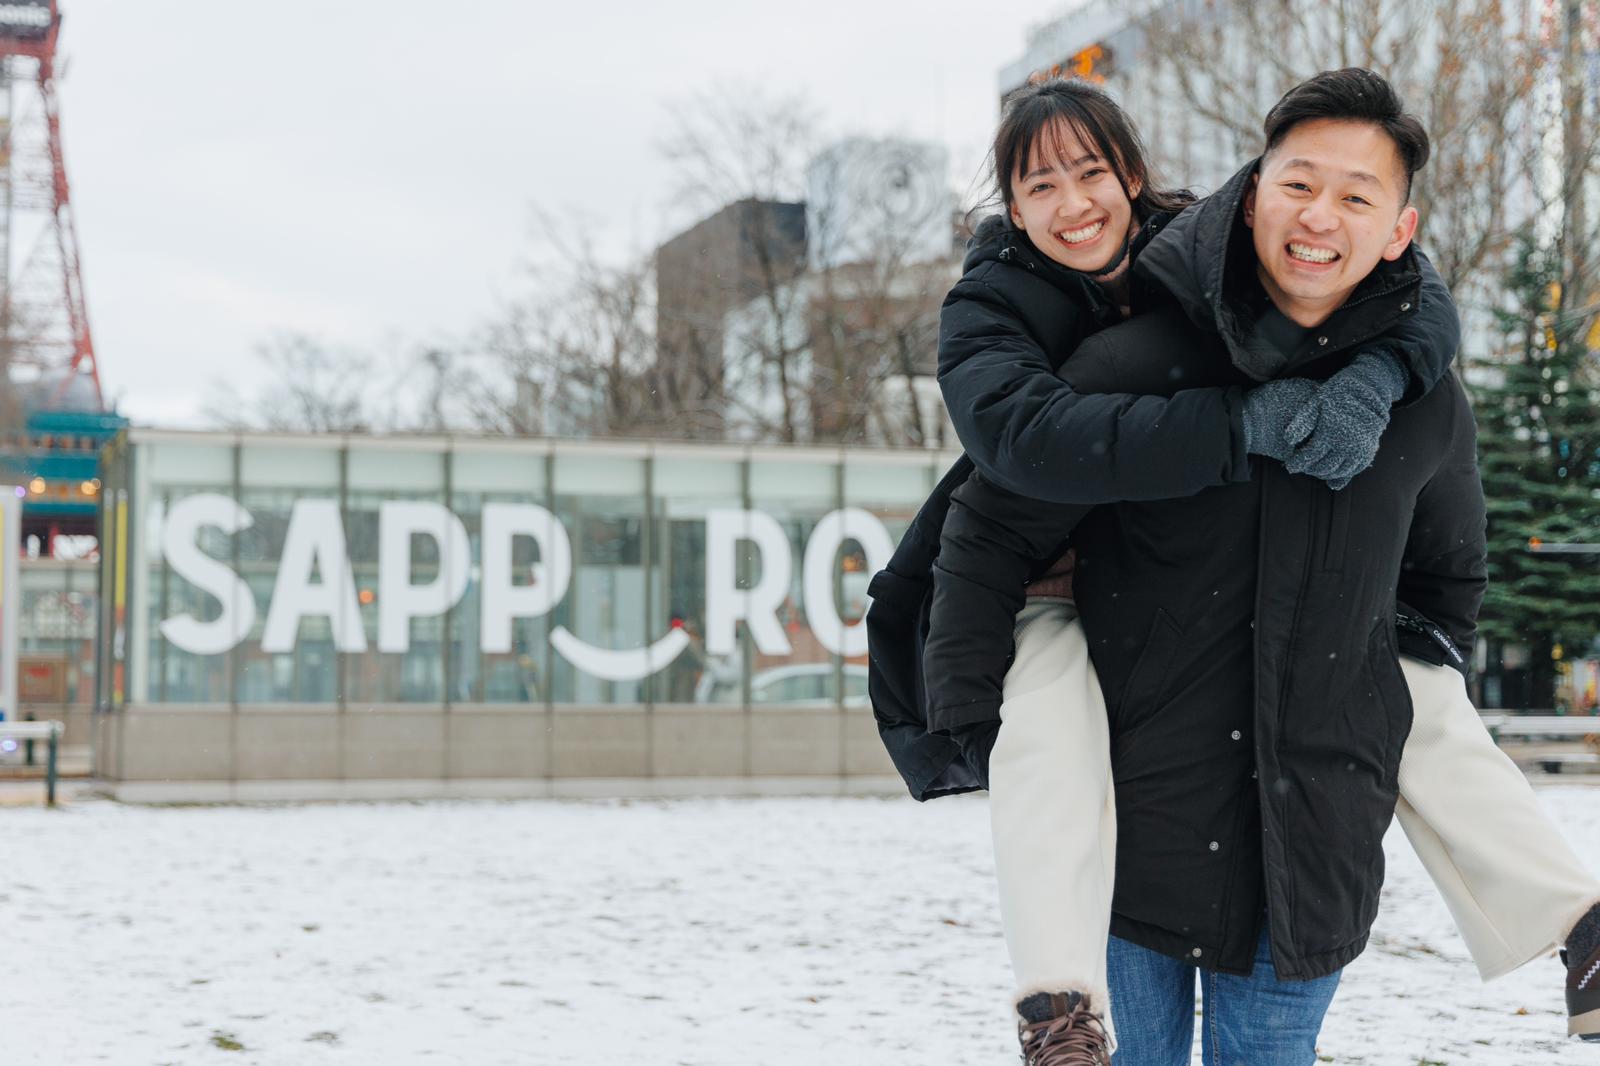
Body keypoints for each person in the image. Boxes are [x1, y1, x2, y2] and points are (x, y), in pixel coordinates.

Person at [866, 71, 1600, 1064]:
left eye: (1091, 173)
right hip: (1076, 653)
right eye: (1038, 187)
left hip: (1304, 817)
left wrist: (1382, 373)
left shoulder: (1362, 348)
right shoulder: (1029, 316)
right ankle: (1056, 1005)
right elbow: (1012, 460)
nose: (1071, 203)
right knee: (1045, 734)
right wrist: (962, 701)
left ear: (1133, 175)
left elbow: (1442, 555)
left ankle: (1579, 924)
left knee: (1416, 693)